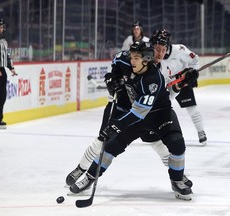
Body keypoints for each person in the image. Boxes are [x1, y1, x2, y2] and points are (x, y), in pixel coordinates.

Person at [70, 41, 194, 200]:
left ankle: (177, 180)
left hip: (160, 114)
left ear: (146, 60)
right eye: (131, 57)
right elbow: (116, 64)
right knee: (111, 146)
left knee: (176, 143)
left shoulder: (152, 80)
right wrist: (112, 79)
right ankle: (90, 177)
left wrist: (116, 126)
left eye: (136, 58)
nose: (131, 61)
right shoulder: (124, 59)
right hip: (136, 114)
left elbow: (138, 113)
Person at [151, 29, 207, 146]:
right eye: (156, 45)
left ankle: (201, 132)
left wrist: (192, 73)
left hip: (182, 80)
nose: (159, 49)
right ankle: (155, 131)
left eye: (162, 45)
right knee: (161, 108)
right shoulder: (153, 53)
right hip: (166, 83)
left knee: (191, 108)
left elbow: (195, 59)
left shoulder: (180, 50)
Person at [0, 18, 17, 130]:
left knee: (2, 96)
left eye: (1, 27)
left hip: (2, 70)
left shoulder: (4, 41)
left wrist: (11, 67)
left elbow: (7, 55)